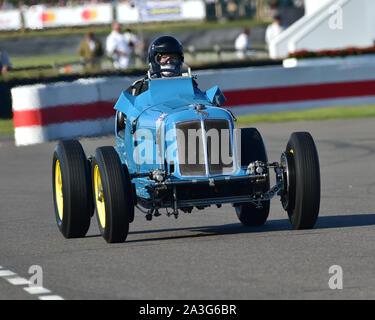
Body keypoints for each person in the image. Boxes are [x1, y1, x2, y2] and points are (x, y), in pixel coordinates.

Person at [125, 35, 201, 96]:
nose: (169, 62)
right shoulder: (139, 88)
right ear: (155, 60)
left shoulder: (188, 83)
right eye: (164, 58)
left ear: (179, 60)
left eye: (173, 58)